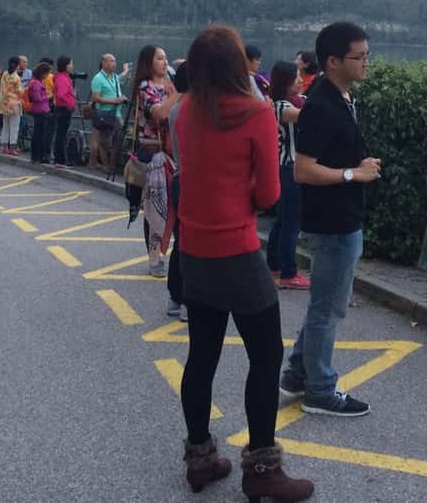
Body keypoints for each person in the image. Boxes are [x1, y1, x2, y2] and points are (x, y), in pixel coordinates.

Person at [175, 26, 312, 501]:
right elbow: (270, 194)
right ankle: (262, 469)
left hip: (194, 252)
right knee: (266, 356)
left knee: (202, 356)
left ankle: (201, 458)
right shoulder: (256, 113)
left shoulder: (184, 110)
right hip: (237, 252)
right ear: (238, 65)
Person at [280, 21, 380, 417]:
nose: (366, 63)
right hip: (335, 222)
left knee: (325, 302)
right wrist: (355, 174)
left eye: (367, 55)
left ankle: (299, 373)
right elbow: (303, 170)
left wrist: (359, 165)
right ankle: (320, 390)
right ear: (334, 61)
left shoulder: (338, 97)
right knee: (329, 307)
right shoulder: (322, 105)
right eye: (360, 57)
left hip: (341, 217)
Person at [134, 44, 182, 276]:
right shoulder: (146, 87)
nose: (165, 62)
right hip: (153, 153)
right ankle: (154, 258)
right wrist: (180, 90)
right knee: (155, 208)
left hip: (174, 153)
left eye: (166, 58)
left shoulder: (171, 84)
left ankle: (174, 254)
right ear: (149, 62)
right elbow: (161, 113)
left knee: (175, 205)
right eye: (160, 58)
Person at [266, 61, 309, 290]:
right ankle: (288, 272)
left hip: (286, 168)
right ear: (285, 81)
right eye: (296, 77)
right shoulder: (281, 106)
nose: (301, 80)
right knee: (292, 222)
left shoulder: (292, 102)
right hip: (290, 168)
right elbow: (309, 116)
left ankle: (274, 264)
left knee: (283, 220)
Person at [166, 61, 189, 321]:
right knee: (188, 242)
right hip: (190, 180)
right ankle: (186, 300)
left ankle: (176, 297)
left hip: (179, 176)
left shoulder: (176, 108)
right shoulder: (190, 110)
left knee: (181, 240)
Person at [89, 54, 129, 171]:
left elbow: (121, 78)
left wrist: (126, 70)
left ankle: (112, 165)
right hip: (104, 114)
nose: (114, 63)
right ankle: (106, 166)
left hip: (116, 113)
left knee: (119, 138)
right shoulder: (98, 78)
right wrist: (114, 101)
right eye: (111, 61)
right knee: (104, 141)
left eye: (114, 61)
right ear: (104, 63)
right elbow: (96, 98)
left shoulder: (114, 77)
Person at [51, 56, 77, 165]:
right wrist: (69, 104)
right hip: (64, 109)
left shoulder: (64, 77)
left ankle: (60, 158)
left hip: (63, 108)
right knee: (61, 135)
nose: (72, 66)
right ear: (65, 66)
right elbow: (61, 94)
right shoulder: (62, 78)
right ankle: (60, 160)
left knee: (61, 134)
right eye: (71, 64)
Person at [0, 57, 24, 157]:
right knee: (14, 127)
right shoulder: (16, 77)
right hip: (14, 105)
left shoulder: (4, 74)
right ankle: (12, 148)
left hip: (4, 104)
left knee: (5, 126)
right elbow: (19, 91)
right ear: (18, 65)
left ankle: (5, 147)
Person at [27, 62, 52, 163]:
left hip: (40, 110)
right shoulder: (36, 83)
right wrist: (48, 97)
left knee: (39, 133)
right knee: (39, 134)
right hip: (40, 110)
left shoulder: (36, 82)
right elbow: (37, 98)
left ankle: (37, 155)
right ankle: (38, 155)